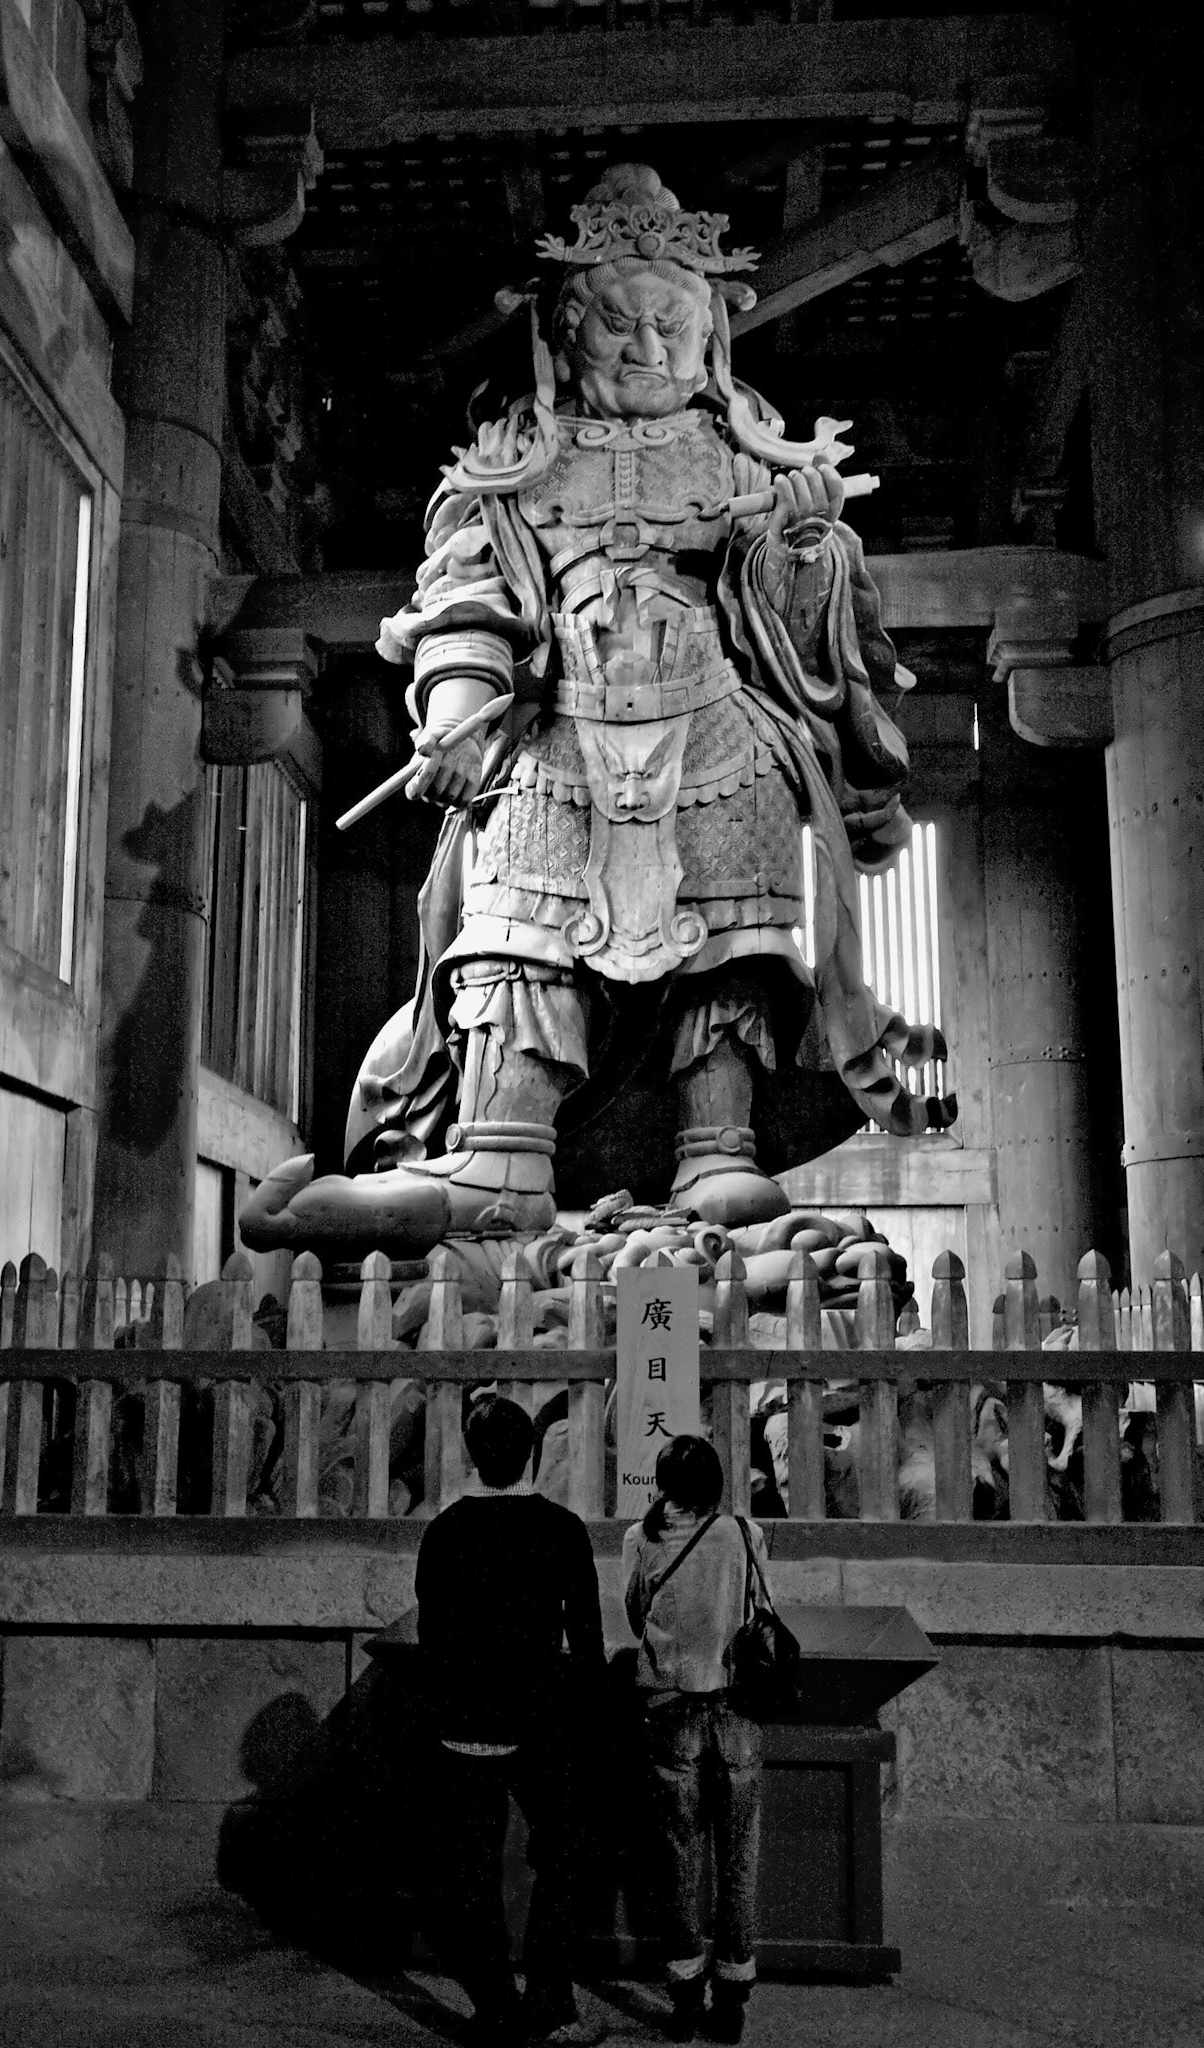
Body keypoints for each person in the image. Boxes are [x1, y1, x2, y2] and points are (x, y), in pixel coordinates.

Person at [240, 160, 952, 1261]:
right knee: (516, 929)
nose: (644, 348)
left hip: (711, 729)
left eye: (669, 326)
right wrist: (464, 707)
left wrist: (802, 544)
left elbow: (796, 616)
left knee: (726, 943)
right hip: (556, 732)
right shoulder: (514, 463)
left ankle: (716, 1144)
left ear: (707, 339)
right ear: (563, 335)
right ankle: (499, 1148)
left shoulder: (744, 453)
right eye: (614, 324)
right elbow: (465, 593)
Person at [414, 1395, 608, 2043]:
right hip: (541, 1719)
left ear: (470, 1454)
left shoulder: (443, 1531)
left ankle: (494, 2003)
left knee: (472, 1866)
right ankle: (549, 1996)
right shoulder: (561, 1529)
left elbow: (432, 1638)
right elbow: (585, 1643)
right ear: (531, 1451)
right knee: (564, 1852)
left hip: (465, 1722)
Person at [622, 1435, 771, 2043]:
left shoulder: (642, 1537)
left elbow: (634, 1614)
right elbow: (762, 1609)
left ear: (662, 1484)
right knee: (738, 1853)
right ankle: (732, 1996)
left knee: (677, 1853)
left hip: (671, 1705)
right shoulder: (745, 1533)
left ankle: (686, 1993)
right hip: (737, 1706)